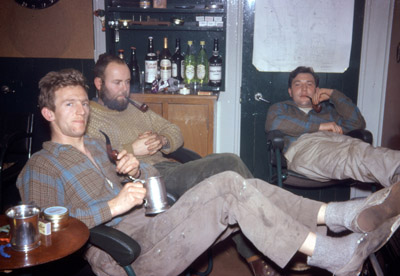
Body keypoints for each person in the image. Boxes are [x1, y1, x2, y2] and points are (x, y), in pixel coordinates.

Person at [17, 69, 400, 276]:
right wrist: (113, 206)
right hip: (121, 252)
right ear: (49, 113)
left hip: (156, 220)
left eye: (83, 103)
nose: (81, 111)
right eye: (70, 105)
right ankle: (333, 249)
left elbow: (153, 175)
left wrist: (138, 169)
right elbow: (45, 236)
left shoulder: (101, 149)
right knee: (232, 185)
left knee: (241, 184)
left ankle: (340, 217)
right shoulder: (41, 166)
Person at [86, 53, 274, 275]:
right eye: (117, 83)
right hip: (148, 180)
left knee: (228, 161)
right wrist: (132, 149)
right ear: (99, 84)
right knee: (228, 163)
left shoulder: (133, 108)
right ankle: (264, 248)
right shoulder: (88, 118)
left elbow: (174, 131)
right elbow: (97, 162)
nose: (124, 89)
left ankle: (262, 247)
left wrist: (162, 140)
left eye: (127, 82)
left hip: (169, 169)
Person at [266, 66, 400, 187]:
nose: (304, 89)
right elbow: (274, 123)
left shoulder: (329, 112)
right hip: (305, 149)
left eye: (309, 84)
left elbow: (357, 122)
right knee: (350, 158)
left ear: (316, 90)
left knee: (365, 151)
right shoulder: (280, 108)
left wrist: (333, 94)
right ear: (290, 91)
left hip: (341, 143)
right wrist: (320, 127)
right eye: (298, 84)